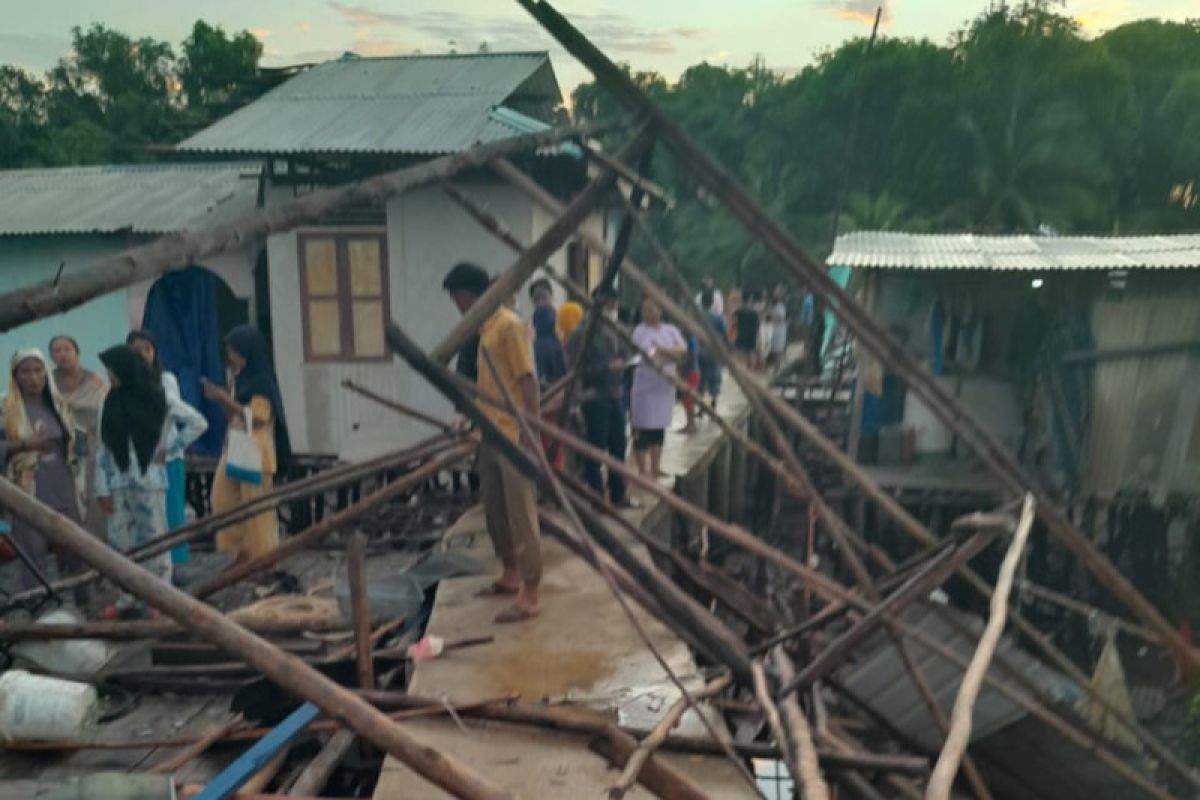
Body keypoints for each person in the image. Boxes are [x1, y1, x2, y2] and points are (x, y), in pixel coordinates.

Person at [443, 262, 542, 623]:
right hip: (490, 433)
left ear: (470, 295)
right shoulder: (483, 331)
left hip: (513, 434)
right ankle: (510, 574)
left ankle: (530, 592)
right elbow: (480, 385)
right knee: (495, 511)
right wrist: (466, 418)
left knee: (521, 516)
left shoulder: (508, 326)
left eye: (458, 299)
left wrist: (532, 433)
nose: (457, 306)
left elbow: (528, 381)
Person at [94, 345, 175, 618]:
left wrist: (168, 450)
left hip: (149, 481)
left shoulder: (156, 397)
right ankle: (126, 596)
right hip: (117, 482)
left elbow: (193, 422)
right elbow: (102, 447)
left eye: (112, 370)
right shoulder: (110, 400)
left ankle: (162, 598)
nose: (110, 375)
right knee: (119, 541)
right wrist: (101, 487)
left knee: (156, 538)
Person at [204, 325, 291, 563]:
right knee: (222, 499)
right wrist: (222, 399)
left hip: (255, 450)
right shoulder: (239, 378)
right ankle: (233, 553)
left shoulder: (261, 380)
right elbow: (235, 414)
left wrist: (225, 399)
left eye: (235, 351)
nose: (231, 357)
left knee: (256, 510)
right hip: (235, 445)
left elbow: (259, 416)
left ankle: (262, 558)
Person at [1, 349, 85, 594]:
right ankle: (37, 605)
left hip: (63, 486)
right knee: (33, 548)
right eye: (26, 372)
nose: (33, 378)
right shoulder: (5, 409)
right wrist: (25, 445)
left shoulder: (58, 405)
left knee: (74, 546)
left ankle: (82, 599)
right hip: (28, 490)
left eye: (38, 371)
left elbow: (73, 443)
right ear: (15, 376)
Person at [127, 330, 207, 566]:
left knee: (171, 515)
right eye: (136, 350)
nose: (142, 355)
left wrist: (171, 447)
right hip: (134, 461)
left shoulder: (165, 381)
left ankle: (176, 566)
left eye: (147, 350)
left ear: (155, 353)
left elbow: (179, 415)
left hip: (166, 460)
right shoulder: (121, 383)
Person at [567, 286, 633, 508]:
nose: (612, 311)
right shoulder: (581, 334)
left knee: (618, 447)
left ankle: (618, 494)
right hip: (594, 398)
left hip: (615, 395)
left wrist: (625, 362)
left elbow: (624, 354)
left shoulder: (613, 330)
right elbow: (575, 370)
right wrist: (606, 367)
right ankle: (596, 498)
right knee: (595, 450)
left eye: (614, 307)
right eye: (609, 307)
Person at [49, 335, 108, 543]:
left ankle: (97, 548)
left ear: (77, 352)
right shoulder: (47, 383)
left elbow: (105, 410)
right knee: (67, 498)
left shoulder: (95, 381)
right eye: (57, 350)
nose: (63, 354)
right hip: (60, 449)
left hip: (92, 447)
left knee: (93, 497)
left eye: (67, 349)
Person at [629, 298, 687, 479]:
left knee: (658, 427)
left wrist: (662, 349)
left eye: (652, 309)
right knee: (642, 427)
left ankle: (656, 466)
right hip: (646, 386)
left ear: (660, 311)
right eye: (645, 310)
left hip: (664, 386)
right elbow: (648, 355)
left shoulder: (670, 330)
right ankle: (642, 470)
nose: (648, 314)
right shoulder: (639, 331)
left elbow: (682, 349)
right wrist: (669, 353)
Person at [698, 289, 727, 406]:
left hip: (699, 350)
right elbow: (724, 334)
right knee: (714, 377)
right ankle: (713, 402)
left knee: (701, 377)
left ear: (701, 302)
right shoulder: (718, 317)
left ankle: (700, 405)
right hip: (714, 350)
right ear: (712, 303)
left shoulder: (696, 316)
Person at [678, 332, 700, 434]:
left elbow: (692, 357)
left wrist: (680, 364)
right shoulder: (684, 339)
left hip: (691, 373)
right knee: (685, 401)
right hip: (685, 373)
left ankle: (692, 425)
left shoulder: (692, 340)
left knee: (689, 400)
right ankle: (689, 424)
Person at [734, 290, 761, 368]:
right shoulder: (754, 313)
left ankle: (741, 373)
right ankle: (749, 373)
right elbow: (758, 326)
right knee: (751, 358)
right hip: (751, 337)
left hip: (741, 336)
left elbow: (734, 323)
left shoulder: (738, 312)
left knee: (740, 358)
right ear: (750, 299)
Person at [769, 285, 789, 368]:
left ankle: (777, 366)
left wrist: (773, 317)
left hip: (780, 329)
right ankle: (775, 365)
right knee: (773, 348)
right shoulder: (773, 305)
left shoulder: (782, 305)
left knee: (777, 349)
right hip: (774, 328)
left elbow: (782, 318)